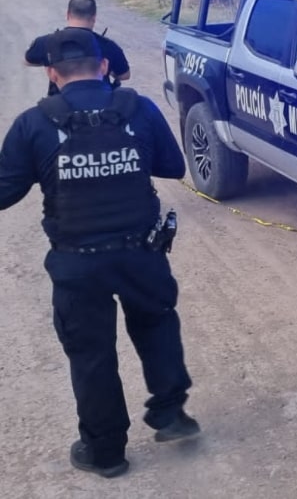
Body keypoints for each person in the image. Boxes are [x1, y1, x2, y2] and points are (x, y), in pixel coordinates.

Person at [0, 28, 199, 478]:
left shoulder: (34, 123)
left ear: (52, 74)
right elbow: (172, 166)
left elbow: (4, 191)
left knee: (91, 355)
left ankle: (106, 452)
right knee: (157, 326)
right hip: (141, 254)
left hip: (78, 262)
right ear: (104, 66)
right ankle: (170, 414)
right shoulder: (139, 109)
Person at [24, 0, 131, 96]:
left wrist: (49, 60)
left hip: (58, 108)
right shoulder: (108, 45)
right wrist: (108, 69)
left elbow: (28, 61)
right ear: (94, 18)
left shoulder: (46, 41)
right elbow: (125, 75)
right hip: (100, 107)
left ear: (67, 14)